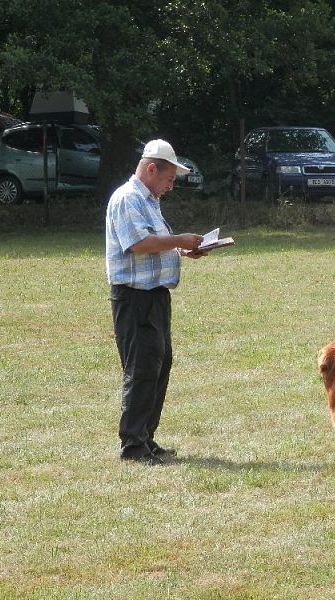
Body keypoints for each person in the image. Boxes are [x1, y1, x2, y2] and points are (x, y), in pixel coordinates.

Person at [105, 139, 204, 465]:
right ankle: (132, 445)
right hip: (135, 297)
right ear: (151, 169)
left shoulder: (149, 201)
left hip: (155, 295)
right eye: (169, 179)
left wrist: (183, 249)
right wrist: (179, 239)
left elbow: (156, 244)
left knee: (159, 365)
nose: (170, 186)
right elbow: (138, 243)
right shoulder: (127, 198)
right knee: (142, 368)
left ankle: (145, 438)